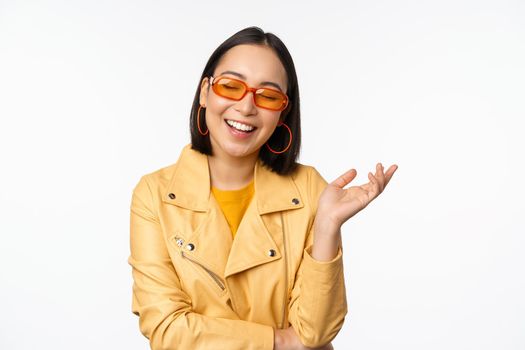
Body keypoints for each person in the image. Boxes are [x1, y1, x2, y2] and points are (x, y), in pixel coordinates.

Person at [128, 26, 398, 350]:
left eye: (267, 95)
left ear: (282, 110)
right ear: (205, 92)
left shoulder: (310, 189)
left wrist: (327, 226)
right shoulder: (154, 195)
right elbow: (166, 328)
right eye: (230, 86)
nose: (246, 107)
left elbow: (315, 333)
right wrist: (279, 341)